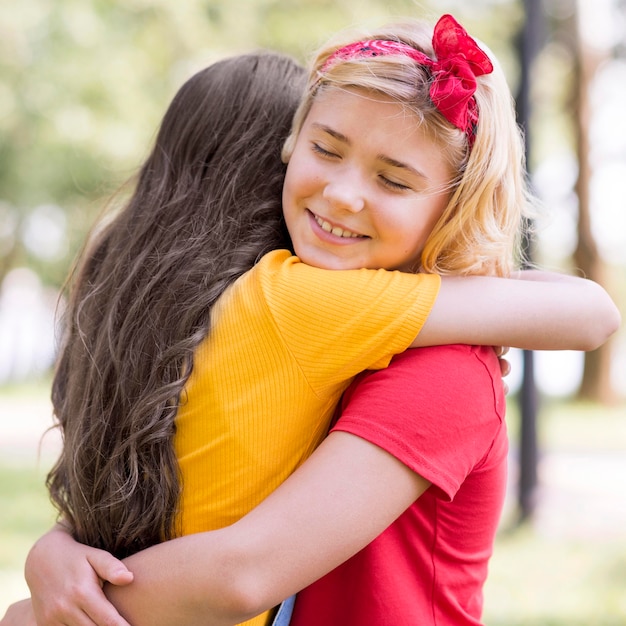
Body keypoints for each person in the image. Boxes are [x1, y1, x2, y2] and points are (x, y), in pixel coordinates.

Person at [3, 15, 620, 626]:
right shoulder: (295, 305)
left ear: (455, 205)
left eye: (394, 180)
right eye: (326, 149)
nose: (343, 195)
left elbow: (242, 573)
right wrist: (60, 549)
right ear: (289, 147)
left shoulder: (435, 364)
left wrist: (38, 617)